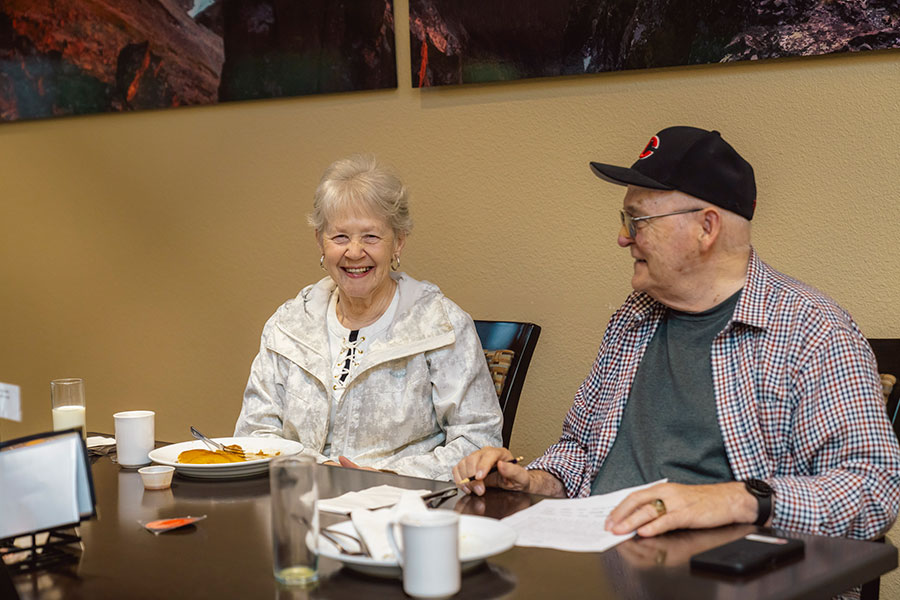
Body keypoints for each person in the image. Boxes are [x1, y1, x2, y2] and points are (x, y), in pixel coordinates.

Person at [454, 126, 900, 540]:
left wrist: (732, 499)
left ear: (706, 227)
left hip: (725, 577)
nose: (622, 239)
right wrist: (528, 479)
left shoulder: (811, 330)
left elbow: (873, 490)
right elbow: (581, 450)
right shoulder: (634, 317)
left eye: (637, 221)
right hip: (599, 557)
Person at [235, 154, 502, 480]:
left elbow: (478, 441)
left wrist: (375, 475)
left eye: (371, 236)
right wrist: (315, 472)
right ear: (320, 241)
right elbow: (254, 433)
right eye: (340, 236)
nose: (355, 252)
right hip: (298, 505)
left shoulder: (441, 326)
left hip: (404, 510)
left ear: (398, 242)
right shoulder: (289, 325)